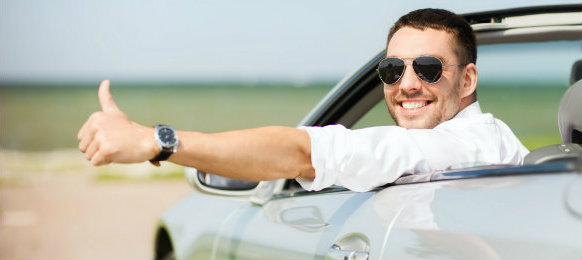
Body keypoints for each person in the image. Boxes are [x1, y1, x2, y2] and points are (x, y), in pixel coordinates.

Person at [77, 8, 529, 192]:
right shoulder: (499, 142)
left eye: (428, 68)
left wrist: (156, 140)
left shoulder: (459, 148)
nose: (406, 83)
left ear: (467, 79)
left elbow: (300, 153)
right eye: (392, 70)